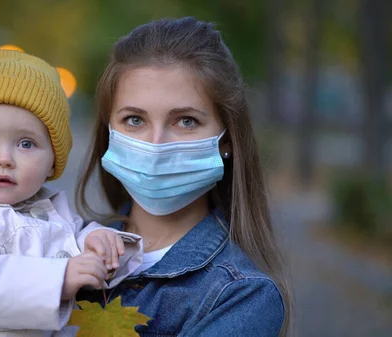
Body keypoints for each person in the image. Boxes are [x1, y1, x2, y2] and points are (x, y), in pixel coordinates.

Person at [76, 17, 291, 336]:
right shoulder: (62, 245)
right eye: (134, 119)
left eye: (186, 121)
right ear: (109, 130)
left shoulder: (243, 297)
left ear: (227, 140)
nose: (156, 145)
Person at [0, 50, 143, 337]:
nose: (4, 158)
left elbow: (64, 244)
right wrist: (59, 279)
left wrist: (94, 241)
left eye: (26, 144)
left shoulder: (52, 213)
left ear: (52, 163)